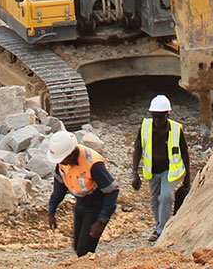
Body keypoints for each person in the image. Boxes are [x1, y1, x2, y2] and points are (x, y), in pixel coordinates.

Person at [130, 94, 194, 243]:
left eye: (160, 117)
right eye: (154, 116)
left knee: (165, 197)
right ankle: (159, 225)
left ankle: (162, 230)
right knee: (154, 200)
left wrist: (188, 176)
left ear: (167, 114)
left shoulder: (176, 129)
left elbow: (184, 151)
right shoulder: (145, 127)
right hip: (152, 171)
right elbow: (138, 148)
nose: (157, 120)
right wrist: (134, 172)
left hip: (170, 171)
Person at [45, 129, 119, 256]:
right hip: (80, 204)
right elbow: (58, 191)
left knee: (84, 249)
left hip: (96, 205)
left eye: (62, 158)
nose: (60, 162)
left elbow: (112, 191)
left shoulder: (93, 164)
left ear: (71, 152)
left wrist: (102, 220)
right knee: (77, 246)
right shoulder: (62, 164)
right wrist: (51, 212)